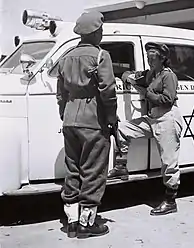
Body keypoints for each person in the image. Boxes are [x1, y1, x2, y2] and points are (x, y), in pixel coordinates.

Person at [56, 10, 118, 238]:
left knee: (72, 169)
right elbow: (108, 91)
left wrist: (65, 115)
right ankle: (86, 224)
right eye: (100, 30)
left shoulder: (66, 56)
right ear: (95, 32)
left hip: (70, 120)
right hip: (93, 121)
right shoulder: (101, 56)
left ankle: (71, 221)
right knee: (93, 171)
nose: (101, 34)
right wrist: (111, 118)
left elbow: (60, 94)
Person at [108, 42, 183, 215]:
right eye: (148, 57)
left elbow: (168, 99)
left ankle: (170, 200)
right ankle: (121, 166)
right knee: (122, 128)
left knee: (169, 161)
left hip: (167, 118)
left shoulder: (168, 76)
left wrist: (147, 94)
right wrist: (126, 76)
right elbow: (133, 76)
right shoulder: (152, 74)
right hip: (153, 118)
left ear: (162, 58)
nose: (149, 60)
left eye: (153, 57)